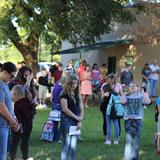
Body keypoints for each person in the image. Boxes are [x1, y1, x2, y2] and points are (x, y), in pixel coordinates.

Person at [121, 82, 150, 160]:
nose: (132, 87)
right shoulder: (127, 96)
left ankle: (134, 158)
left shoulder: (141, 95)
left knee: (136, 140)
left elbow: (148, 102)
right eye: (130, 86)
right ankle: (127, 158)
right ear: (129, 88)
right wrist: (123, 93)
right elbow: (123, 102)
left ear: (137, 87)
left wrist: (144, 93)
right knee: (129, 141)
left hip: (137, 120)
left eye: (134, 86)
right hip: (128, 120)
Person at [60, 74, 84, 160]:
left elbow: (81, 108)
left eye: (76, 83)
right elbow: (65, 109)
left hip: (75, 120)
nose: (74, 85)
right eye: (72, 83)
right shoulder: (64, 95)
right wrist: (77, 118)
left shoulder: (77, 95)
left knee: (74, 144)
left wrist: (80, 120)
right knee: (67, 143)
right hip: (66, 120)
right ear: (68, 83)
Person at [9, 81, 33, 160]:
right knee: (14, 142)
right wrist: (16, 123)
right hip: (16, 123)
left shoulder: (14, 101)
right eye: (18, 98)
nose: (18, 100)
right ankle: (12, 158)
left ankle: (24, 157)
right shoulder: (9, 101)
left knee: (24, 141)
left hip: (22, 122)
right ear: (15, 94)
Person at [0, 62, 19, 160]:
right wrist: (12, 121)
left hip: (5, 125)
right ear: (4, 72)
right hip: (1, 125)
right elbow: (1, 106)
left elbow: (8, 104)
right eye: (11, 76)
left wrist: (13, 118)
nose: (12, 79)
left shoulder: (5, 85)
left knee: (4, 154)